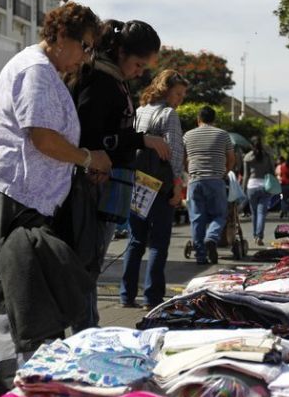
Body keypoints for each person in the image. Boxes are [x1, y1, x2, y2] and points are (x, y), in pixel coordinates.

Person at [0, 2, 105, 394]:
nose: (86, 58)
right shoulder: (36, 70)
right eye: (85, 47)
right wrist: (87, 158)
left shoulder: (44, 70)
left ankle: (19, 371)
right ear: (62, 36)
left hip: (30, 193)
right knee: (17, 284)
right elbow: (43, 138)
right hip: (21, 192)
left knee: (17, 282)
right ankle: (19, 372)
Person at [66, 19, 167, 312]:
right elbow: (90, 134)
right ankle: (85, 328)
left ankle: (86, 326)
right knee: (88, 261)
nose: (140, 72)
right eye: (138, 64)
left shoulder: (112, 79)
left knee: (92, 261)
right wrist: (140, 140)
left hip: (108, 181)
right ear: (120, 51)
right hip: (94, 182)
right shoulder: (100, 80)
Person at [120, 70, 188, 309]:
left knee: (136, 240)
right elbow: (175, 152)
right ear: (166, 90)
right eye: (178, 93)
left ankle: (126, 294)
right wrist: (178, 184)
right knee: (159, 242)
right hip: (161, 185)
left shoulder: (140, 111)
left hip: (138, 182)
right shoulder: (168, 114)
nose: (180, 99)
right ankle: (152, 297)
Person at [183, 106, 235, 264]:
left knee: (197, 218)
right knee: (219, 215)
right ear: (214, 120)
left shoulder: (188, 135)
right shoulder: (223, 134)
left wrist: (190, 172)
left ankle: (200, 255)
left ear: (198, 119)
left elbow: (183, 159)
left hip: (195, 181)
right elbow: (231, 158)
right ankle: (211, 238)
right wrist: (224, 172)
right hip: (215, 180)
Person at [242, 136, 275, 245]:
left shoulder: (247, 157)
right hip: (265, 185)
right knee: (261, 213)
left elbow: (246, 175)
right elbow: (272, 171)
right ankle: (259, 236)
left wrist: (243, 189)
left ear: (251, 145)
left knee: (254, 213)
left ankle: (255, 235)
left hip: (251, 186)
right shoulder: (267, 156)